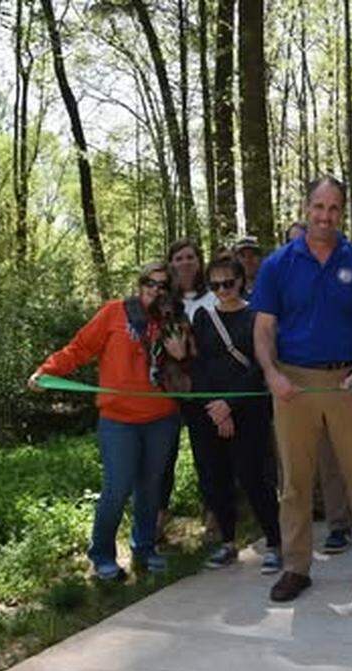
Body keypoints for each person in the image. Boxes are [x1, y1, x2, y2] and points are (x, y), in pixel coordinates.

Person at [252, 176, 352, 601]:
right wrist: (272, 374)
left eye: (334, 208)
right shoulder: (278, 264)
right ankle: (296, 567)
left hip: (346, 383)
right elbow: (263, 328)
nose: (325, 216)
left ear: (343, 212)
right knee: (295, 483)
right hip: (292, 383)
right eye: (319, 206)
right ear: (306, 207)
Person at [27, 263, 187, 580]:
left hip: (161, 417)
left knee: (151, 488)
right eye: (149, 283)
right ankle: (101, 554)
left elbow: (188, 364)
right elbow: (80, 348)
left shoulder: (173, 320)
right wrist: (47, 371)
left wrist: (181, 353)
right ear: (139, 284)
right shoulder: (114, 312)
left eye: (163, 286)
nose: (155, 290)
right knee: (117, 487)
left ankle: (145, 548)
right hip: (119, 420)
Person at [189, 258, 283, 574]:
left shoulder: (257, 316)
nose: (222, 290)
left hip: (249, 410)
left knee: (254, 478)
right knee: (217, 478)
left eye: (228, 283)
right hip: (211, 411)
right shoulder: (204, 318)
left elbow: (261, 365)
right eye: (215, 285)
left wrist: (230, 403)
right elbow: (198, 364)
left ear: (241, 281)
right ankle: (228, 542)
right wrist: (216, 407)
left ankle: (275, 542)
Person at [161, 239, 217, 535]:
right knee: (163, 454)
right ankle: (158, 514)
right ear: (171, 263)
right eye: (179, 258)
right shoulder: (163, 301)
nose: (185, 263)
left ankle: (214, 511)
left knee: (206, 452)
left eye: (190, 257)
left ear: (199, 260)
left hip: (203, 386)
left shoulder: (214, 296)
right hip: (168, 388)